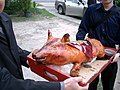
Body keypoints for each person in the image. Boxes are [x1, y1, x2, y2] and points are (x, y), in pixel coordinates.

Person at [0, 0, 89, 90]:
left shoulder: (5, 18)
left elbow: (13, 50)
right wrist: (62, 87)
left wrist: (29, 57)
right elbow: (5, 83)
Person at [76, 0, 120, 90]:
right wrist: (80, 44)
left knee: (108, 86)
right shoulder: (91, 10)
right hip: (91, 54)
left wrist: (119, 53)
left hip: (110, 55)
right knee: (90, 85)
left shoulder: (119, 13)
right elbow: (82, 29)